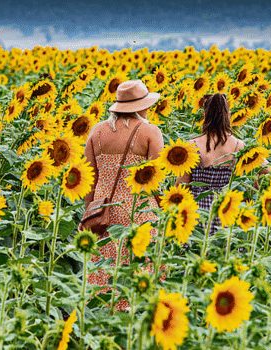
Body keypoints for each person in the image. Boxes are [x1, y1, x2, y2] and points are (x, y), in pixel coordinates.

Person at [80, 79, 165, 312]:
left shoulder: (97, 131)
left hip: (105, 213)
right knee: (140, 273)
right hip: (140, 212)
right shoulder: (150, 132)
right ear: (142, 106)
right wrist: (163, 208)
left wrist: (91, 211)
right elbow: (157, 176)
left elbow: (89, 179)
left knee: (105, 274)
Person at [175, 93, 247, 235]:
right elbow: (265, 171)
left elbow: (181, 186)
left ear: (205, 115)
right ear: (228, 114)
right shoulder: (239, 145)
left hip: (197, 214)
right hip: (227, 210)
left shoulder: (192, 145)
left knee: (197, 251)